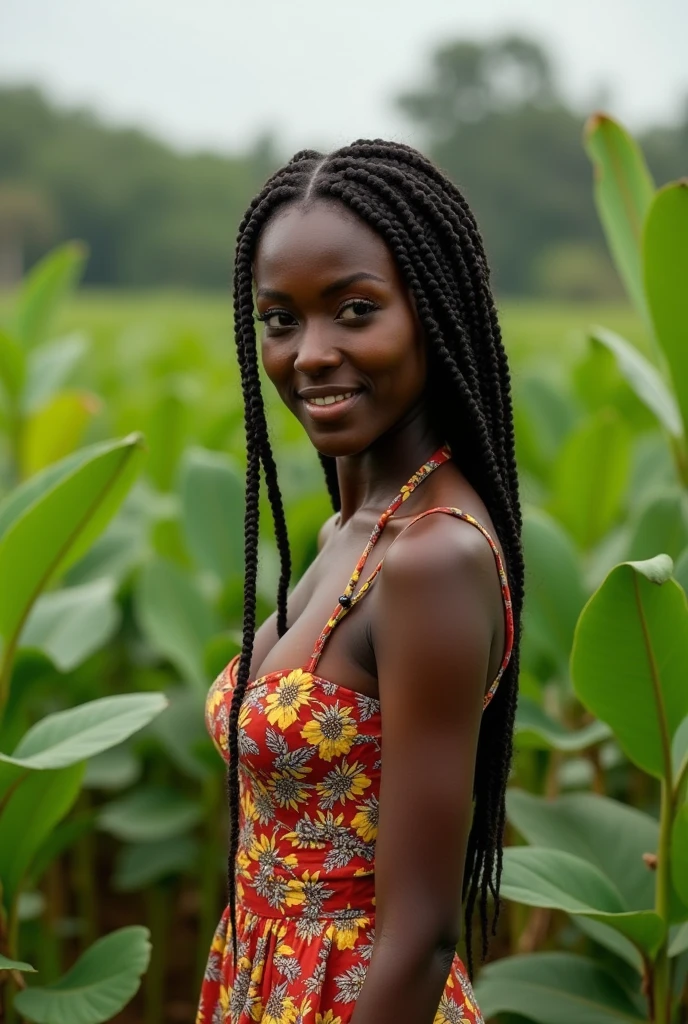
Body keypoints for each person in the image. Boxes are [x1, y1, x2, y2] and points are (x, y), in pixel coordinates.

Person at [197, 139, 522, 1024]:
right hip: (266, 984)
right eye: (280, 318)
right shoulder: (351, 527)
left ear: (434, 313)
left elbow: (419, 934)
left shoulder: (431, 558)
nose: (309, 354)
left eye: (354, 310)